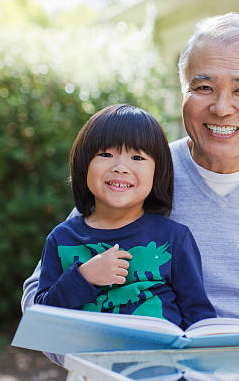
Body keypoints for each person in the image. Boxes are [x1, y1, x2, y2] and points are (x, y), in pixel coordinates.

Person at [23, 12, 239, 347]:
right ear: (184, 95)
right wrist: (95, 361)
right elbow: (40, 303)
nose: (221, 107)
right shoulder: (135, 177)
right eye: (204, 87)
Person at [34, 104, 215, 329]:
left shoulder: (174, 238)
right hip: (90, 361)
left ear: (157, 172)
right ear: (84, 165)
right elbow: (40, 319)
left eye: (137, 158)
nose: (121, 167)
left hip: (162, 361)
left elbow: (198, 315)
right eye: (106, 154)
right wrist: (83, 277)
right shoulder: (62, 239)